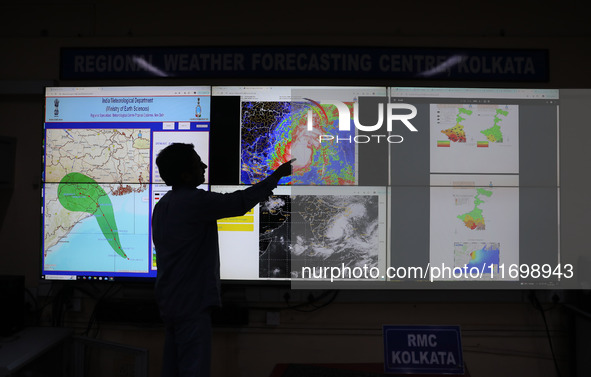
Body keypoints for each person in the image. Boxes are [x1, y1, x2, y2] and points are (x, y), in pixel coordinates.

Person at [152, 143, 293, 377]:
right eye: (198, 163)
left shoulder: (162, 205)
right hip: (192, 302)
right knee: (193, 369)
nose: (204, 166)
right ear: (185, 174)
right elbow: (238, 203)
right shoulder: (194, 201)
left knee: (174, 367)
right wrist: (276, 176)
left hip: (170, 300)